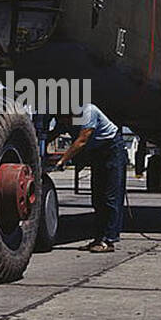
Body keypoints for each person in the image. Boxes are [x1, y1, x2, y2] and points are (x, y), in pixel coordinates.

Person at [56, 101, 127, 253]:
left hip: (112, 150)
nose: (64, 124)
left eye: (64, 119)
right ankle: (98, 238)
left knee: (110, 198)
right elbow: (55, 132)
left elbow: (82, 140)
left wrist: (63, 160)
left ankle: (109, 240)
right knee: (97, 198)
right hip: (98, 153)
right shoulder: (69, 118)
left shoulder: (88, 111)